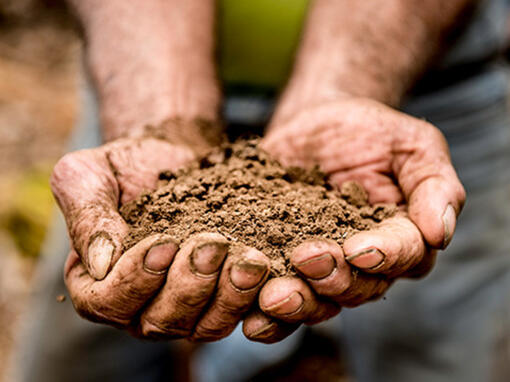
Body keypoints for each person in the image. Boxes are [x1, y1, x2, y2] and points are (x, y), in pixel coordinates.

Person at [12, 0, 510, 381]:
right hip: (134, 81)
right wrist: (163, 117)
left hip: (435, 87)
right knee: (85, 340)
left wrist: (336, 94)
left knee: (440, 355)